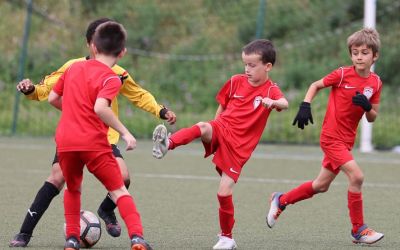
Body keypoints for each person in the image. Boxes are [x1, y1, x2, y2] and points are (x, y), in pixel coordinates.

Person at [10, 18, 176, 247]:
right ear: (90, 43)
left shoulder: (117, 73)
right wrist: (31, 90)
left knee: (122, 177)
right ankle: (24, 233)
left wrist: (160, 110)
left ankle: (105, 212)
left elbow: (139, 94)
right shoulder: (73, 66)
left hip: (99, 137)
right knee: (58, 178)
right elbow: (48, 89)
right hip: (83, 136)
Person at [152, 39, 289, 249]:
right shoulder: (235, 81)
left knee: (223, 192)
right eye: (245, 64)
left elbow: (285, 103)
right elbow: (222, 107)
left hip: (239, 148)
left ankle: (227, 238)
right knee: (203, 126)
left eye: (252, 65)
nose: (247, 69)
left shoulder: (271, 90)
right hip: (222, 128)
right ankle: (167, 144)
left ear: (268, 66)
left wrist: (273, 103)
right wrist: (215, 126)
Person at [266, 28, 384, 245]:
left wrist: (367, 107)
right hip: (331, 138)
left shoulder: (375, 83)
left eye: (365, 52)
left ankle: (281, 200)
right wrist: (305, 105)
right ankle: (358, 230)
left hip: (346, 141)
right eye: (355, 52)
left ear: (374, 56)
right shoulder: (341, 74)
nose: (359, 56)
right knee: (357, 177)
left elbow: (372, 118)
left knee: (321, 185)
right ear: (350, 55)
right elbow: (316, 85)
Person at [47, 20, 151, 250]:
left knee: (73, 188)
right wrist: (125, 133)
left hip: (66, 141)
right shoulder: (112, 78)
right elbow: (100, 108)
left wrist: (74, 111)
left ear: (93, 46)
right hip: (93, 143)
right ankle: (137, 238)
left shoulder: (73, 68)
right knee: (119, 190)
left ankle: (72, 240)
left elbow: (52, 98)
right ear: (122, 52)